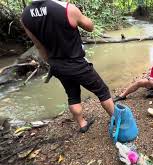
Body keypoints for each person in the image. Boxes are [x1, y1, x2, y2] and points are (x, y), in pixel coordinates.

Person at [21, 0, 114, 133]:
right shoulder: (66, 8)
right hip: (77, 63)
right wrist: (77, 12)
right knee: (102, 91)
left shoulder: (25, 16)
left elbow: (39, 46)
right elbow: (90, 27)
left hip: (57, 65)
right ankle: (117, 120)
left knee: (73, 95)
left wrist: (52, 63)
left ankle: (82, 124)